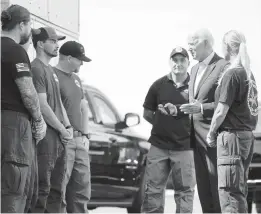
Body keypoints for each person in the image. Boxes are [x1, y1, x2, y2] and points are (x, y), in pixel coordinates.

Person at [206, 30, 259, 213]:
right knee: (238, 192)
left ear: (226, 46)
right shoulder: (248, 74)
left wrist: (211, 133)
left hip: (231, 139)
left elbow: (221, 111)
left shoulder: (231, 74)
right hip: (246, 138)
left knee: (229, 194)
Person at [1, 5, 46, 213]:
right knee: (13, 187)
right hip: (12, 125)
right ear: (21, 25)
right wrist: (38, 120)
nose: (30, 34)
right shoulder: (16, 51)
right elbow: (28, 92)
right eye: (29, 26)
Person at [141, 47, 196, 213]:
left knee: (185, 192)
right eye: (175, 60)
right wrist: (162, 124)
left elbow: (200, 113)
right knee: (152, 191)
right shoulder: (158, 85)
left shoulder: (195, 86)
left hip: (185, 147)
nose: (178, 63)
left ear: (188, 62)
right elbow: (147, 113)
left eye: (182, 60)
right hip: (159, 146)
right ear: (169, 62)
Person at [179, 28, 228, 213]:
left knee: (218, 193)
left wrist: (201, 108)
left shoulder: (223, 66)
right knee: (204, 194)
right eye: (188, 43)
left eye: (193, 43)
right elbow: (192, 102)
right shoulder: (193, 68)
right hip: (195, 142)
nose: (189, 48)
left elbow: (227, 104)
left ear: (207, 42)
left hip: (213, 140)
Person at [30, 27, 73, 213]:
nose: (57, 45)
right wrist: (62, 130)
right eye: (53, 41)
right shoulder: (36, 68)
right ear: (40, 43)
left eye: (57, 41)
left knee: (57, 191)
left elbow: (59, 104)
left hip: (59, 139)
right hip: (45, 141)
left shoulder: (51, 71)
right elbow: (42, 105)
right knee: (42, 189)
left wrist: (68, 126)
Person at [54, 41, 92, 213]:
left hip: (79, 141)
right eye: (79, 59)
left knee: (82, 190)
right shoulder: (52, 75)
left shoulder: (76, 79)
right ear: (69, 58)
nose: (82, 63)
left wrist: (86, 135)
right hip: (62, 139)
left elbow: (83, 106)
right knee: (59, 189)